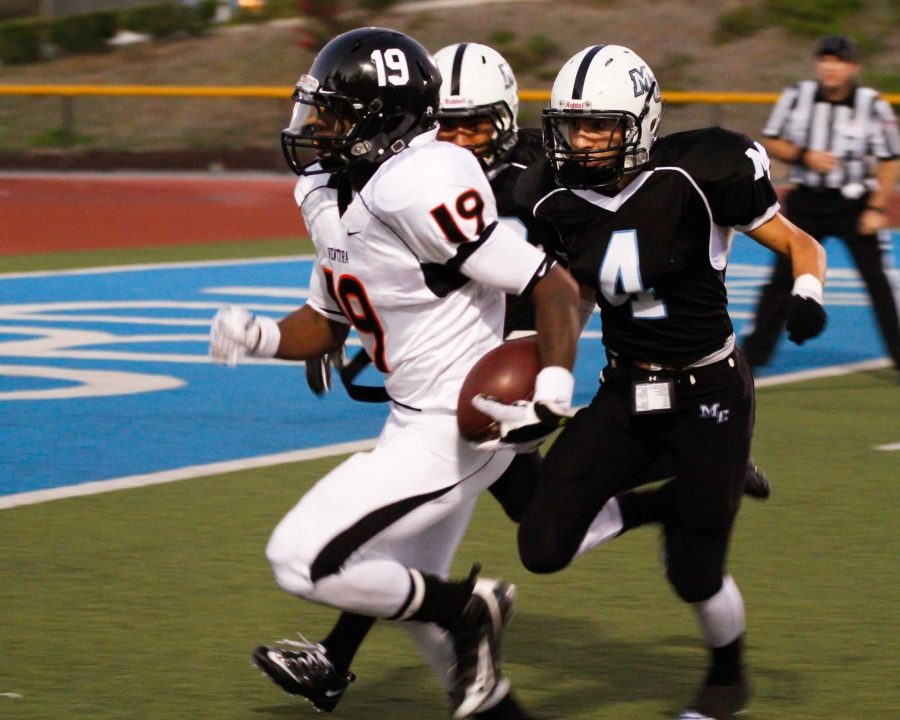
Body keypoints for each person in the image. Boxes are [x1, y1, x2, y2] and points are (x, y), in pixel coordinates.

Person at [280, 40, 775, 717]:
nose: (455, 138)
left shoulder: (536, 180)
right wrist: (343, 321)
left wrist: (540, 365)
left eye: (474, 124)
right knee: (528, 528)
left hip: (517, 369)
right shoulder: (413, 176)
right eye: (444, 123)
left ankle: (347, 653)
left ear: (507, 121)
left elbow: (563, 281)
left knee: (462, 506)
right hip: (466, 372)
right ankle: (674, 494)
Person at [208, 27, 581, 720]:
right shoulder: (336, 190)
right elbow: (328, 316)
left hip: (459, 427)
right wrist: (258, 336)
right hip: (409, 420)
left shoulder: (420, 184)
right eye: (316, 110)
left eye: (336, 114)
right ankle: (468, 644)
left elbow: (551, 283)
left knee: (303, 559)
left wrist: (554, 384)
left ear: (384, 123)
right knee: (428, 632)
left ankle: (474, 607)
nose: (317, 127)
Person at [476, 45, 827, 720]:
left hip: (709, 393)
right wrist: (551, 376)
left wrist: (807, 291)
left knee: (694, 573)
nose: (581, 140)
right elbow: (572, 294)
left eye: (599, 125)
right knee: (542, 545)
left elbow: (799, 244)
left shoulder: (703, 171)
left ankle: (728, 677)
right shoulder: (550, 192)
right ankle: (663, 501)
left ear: (640, 121)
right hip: (626, 387)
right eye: (571, 125)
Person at [742, 34, 900, 371]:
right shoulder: (797, 97)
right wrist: (805, 155)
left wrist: (876, 208)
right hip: (807, 201)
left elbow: (889, 158)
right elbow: (772, 140)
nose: (830, 67)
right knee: (781, 282)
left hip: (854, 203)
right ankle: (753, 357)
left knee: (879, 283)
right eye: (825, 60)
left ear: (853, 67)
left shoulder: (872, 104)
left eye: (838, 61)